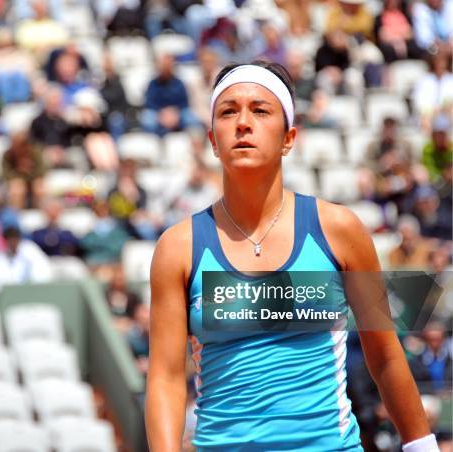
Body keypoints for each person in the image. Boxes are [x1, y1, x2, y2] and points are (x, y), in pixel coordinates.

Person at [146, 60, 436, 450]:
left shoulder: (340, 231)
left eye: (260, 110)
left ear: (289, 137)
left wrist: (423, 447)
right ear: (213, 140)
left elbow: (384, 357)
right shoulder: (178, 247)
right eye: (228, 111)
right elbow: (164, 377)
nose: (243, 123)